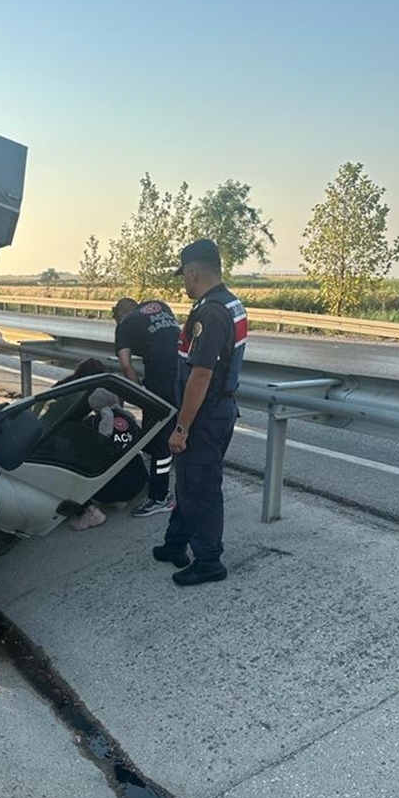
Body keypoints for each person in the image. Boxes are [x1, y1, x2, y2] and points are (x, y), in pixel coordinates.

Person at [153, 239, 247, 586]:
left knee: (202, 488)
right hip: (218, 410)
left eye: (184, 277)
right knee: (190, 484)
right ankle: (175, 543)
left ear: (193, 272)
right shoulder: (230, 303)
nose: (184, 283)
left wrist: (181, 428)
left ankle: (208, 560)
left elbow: (202, 373)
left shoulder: (209, 312)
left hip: (205, 415)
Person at [111, 296, 179, 517]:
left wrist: (141, 396)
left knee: (159, 438)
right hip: (186, 373)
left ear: (119, 315)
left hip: (160, 382)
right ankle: (177, 477)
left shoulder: (125, 324)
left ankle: (160, 497)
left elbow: (126, 365)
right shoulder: (161, 306)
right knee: (175, 428)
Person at [67, 386, 148, 531]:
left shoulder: (92, 423)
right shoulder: (128, 417)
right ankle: (121, 499)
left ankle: (91, 513)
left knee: (71, 468)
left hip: (115, 488)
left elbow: (79, 451)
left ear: (93, 406)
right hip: (140, 477)